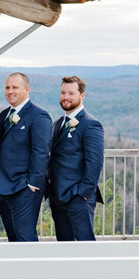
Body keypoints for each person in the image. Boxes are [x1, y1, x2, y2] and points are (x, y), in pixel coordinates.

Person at [0, 72, 50, 242]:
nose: (10, 91)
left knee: (25, 238)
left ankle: (33, 269)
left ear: (27, 89)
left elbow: (41, 152)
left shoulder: (39, 115)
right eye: (7, 88)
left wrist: (33, 183)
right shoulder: (3, 116)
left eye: (15, 87)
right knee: (13, 238)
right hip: (2, 188)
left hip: (25, 188)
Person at [46, 76, 105, 241]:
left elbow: (94, 163)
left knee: (84, 247)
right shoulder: (58, 123)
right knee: (64, 246)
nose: (66, 97)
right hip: (58, 196)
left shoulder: (91, 124)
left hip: (78, 198)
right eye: (63, 92)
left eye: (71, 93)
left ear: (82, 95)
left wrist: (82, 195)